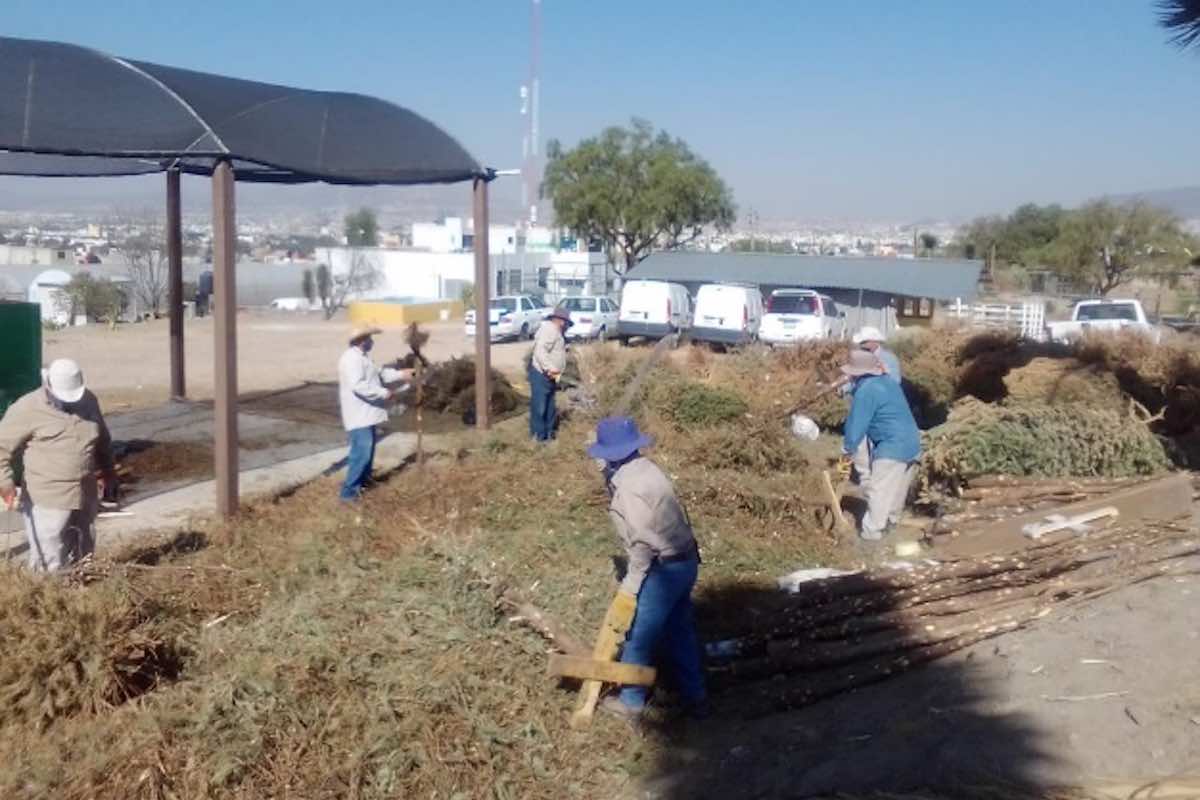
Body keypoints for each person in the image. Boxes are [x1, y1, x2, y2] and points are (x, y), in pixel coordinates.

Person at [587, 416, 707, 721]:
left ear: (610, 456)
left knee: (638, 634)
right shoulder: (648, 468)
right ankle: (695, 696)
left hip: (663, 568)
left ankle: (631, 702)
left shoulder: (628, 489)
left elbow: (643, 544)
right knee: (679, 630)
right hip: (687, 560)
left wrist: (630, 588)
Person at [0, 359, 116, 572]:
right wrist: (5, 484)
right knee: (49, 558)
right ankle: (49, 598)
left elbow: (102, 440)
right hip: (47, 497)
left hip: (85, 491)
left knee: (84, 548)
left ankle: (81, 592)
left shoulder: (88, 400)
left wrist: (108, 471)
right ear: (48, 386)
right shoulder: (27, 408)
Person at [840, 349, 921, 541]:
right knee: (895, 492)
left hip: (892, 445)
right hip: (912, 442)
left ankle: (871, 536)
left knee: (879, 491)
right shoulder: (888, 383)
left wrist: (845, 452)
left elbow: (856, 425)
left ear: (857, 373)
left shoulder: (866, 391)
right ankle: (891, 526)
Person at [337, 326, 412, 502]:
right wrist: (384, 393)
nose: (372, 341)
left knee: (367, 451)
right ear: (362, 340)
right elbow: (358, 385)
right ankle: (348, 494)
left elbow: (380, 374)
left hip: (366, 413)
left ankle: (363, 483)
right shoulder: (351, 360)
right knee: (361, 453)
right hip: (358, 414)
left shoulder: (363, 358)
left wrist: (403, 374)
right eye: (370, 338)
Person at [528, 307, 573, 442]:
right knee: (540, 406)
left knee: (550, 406)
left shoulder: (556, 332)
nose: (567, 326)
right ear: (560, 321)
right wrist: (550, 368)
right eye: (567, 323)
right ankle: (538, 437)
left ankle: (549, 434)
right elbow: (540, 351)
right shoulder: (549, 330)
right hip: (542, 374)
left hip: (551, 375)